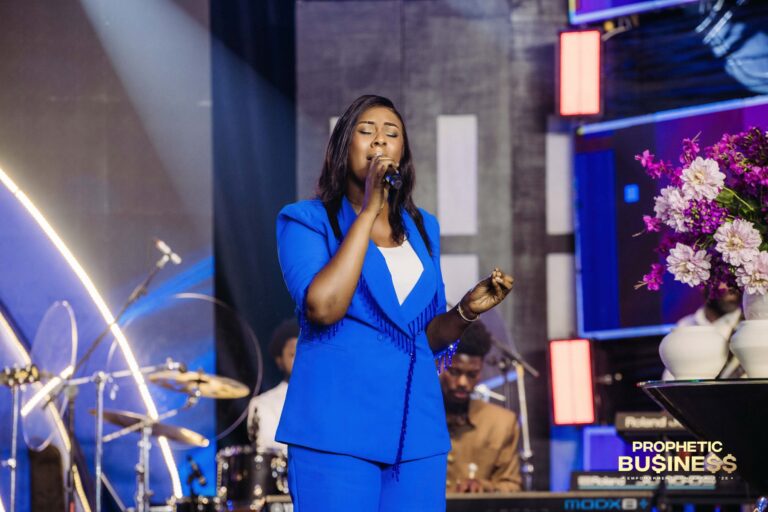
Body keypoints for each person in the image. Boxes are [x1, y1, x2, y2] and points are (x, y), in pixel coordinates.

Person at [275, 94, 514, 511]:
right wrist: (369, 210)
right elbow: (323, 308)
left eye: (391, 134)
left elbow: (422, 337)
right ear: (343, 146)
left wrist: (465, 311)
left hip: (415, 431)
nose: (379, 142)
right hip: (336, 428)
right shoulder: (307, 220)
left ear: (402, 152)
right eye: (366, 132)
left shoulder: (422, 227)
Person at [440, 321, 522, 493]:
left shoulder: (501, 423)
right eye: (454, 372)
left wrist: (483, 487)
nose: (463, 382)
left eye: (472, 374)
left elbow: (511, 486)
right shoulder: (413, 417)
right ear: (438, 365)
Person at [246, 318, 298, 454]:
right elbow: (269, 451)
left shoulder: (324, 399)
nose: (300, 359)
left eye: (304, 353)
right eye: (293, 354)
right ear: (280, 360)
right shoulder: (263, 403)